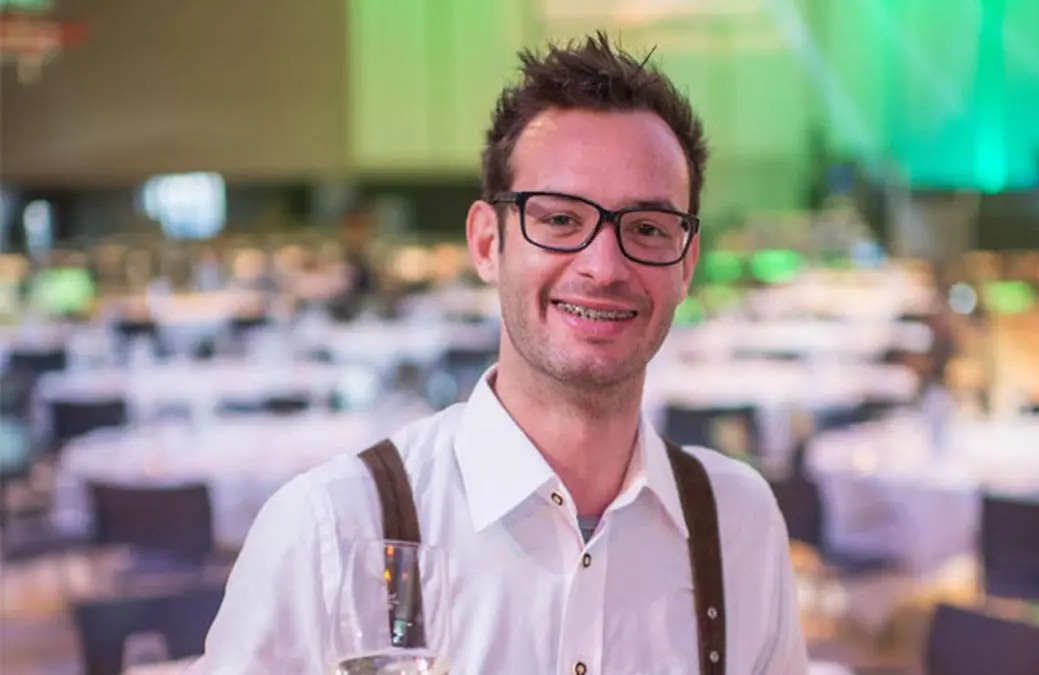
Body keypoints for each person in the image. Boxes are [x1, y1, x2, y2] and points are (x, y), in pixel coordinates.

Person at [193, 32, 807, 674]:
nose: (603, 267)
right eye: (561, 219)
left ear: (686, 265)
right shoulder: (332, 530)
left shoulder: (737, 524)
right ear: (488, 243)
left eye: (648, 228)